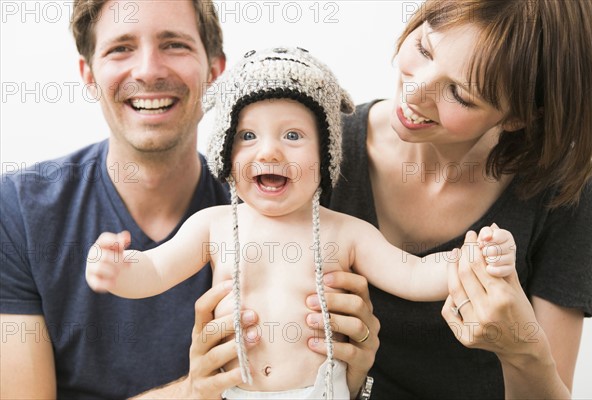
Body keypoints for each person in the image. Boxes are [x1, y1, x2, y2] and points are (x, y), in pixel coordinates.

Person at [85, 46, 517, 399]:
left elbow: (415, 273)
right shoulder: (214, 225)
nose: (269, 152)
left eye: (293, 136)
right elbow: (155, 271)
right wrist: (119, 268)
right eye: (248, 136)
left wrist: (475, 257)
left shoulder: (344, 232)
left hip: (322, 392)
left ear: (325, 155)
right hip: (232, 391)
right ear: (226, 154)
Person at [0, 2, 377, 399]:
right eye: (120, 48)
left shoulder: (286, 205)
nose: (148, 70)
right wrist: (192, 392)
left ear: (215, 73)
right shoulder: (19, 211)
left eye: (174, 44)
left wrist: (348, 379)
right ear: (89, 76)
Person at [328, 0, 592, 398]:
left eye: (459, 93)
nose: (416, 90)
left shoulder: (562, 192)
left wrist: (522, 350)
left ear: (517, 117)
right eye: (423, 48)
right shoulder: (320, 148)